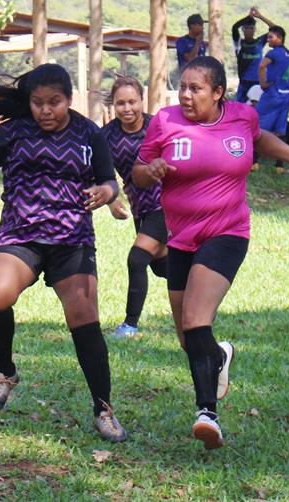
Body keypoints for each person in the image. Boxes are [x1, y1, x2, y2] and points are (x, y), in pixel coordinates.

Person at [132, 57, 289, 449]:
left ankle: (206, 413)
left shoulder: (242, 116)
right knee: (187, 337)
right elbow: (138, 170)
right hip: (180, 238)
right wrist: (152, 169)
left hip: (227, 232)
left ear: (218, 92)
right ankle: (220, 355)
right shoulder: (166, 121)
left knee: (196, 319)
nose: (186, 95)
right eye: (183, 87)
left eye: (196, 88)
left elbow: (262, 140)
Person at [0, 64, 128, 442]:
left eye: (54, 103)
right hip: (21, 235)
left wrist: (105, 194)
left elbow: (109, 179)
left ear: (69, 99)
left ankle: (103, 409)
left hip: (71, 239)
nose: (46, 111)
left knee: (83, 315)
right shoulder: (14, 132)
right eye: (38, 103)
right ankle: (5, 373)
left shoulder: (87, 134)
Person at [101, 76, 168, 338]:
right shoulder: (106, 136)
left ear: (142, 100)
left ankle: (129, 325)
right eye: (121, 103)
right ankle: (200, 288)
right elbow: (98, 172)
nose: (127, 108)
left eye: (132, 102)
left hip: (167, 205)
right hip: (140, 209)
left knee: (137, 258)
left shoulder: (159, 126)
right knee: (162, 267)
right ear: (113, 106)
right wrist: (110, 200)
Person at [255, 26, 289, 173]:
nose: (268, 40)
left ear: (280, 39)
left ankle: (253, 161)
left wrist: (263, 83)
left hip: (272, 93)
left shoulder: (273, 53)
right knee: (280, 130)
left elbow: (262, 66)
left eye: (271, 37)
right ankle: (279, 166)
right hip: (285, 96)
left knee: (256, 124)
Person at [231, 7, 275, 103]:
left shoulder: (259, 42)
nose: (249, 30)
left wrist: (260, 16)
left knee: (257, 111)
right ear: (242, 29)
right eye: (246, 28)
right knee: (241, 111)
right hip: (244, 83)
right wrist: (248, 16)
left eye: (251, 28)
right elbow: (234, 27)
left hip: (258, 83)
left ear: (255, 29)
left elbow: (275, 29)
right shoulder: (239, 43)